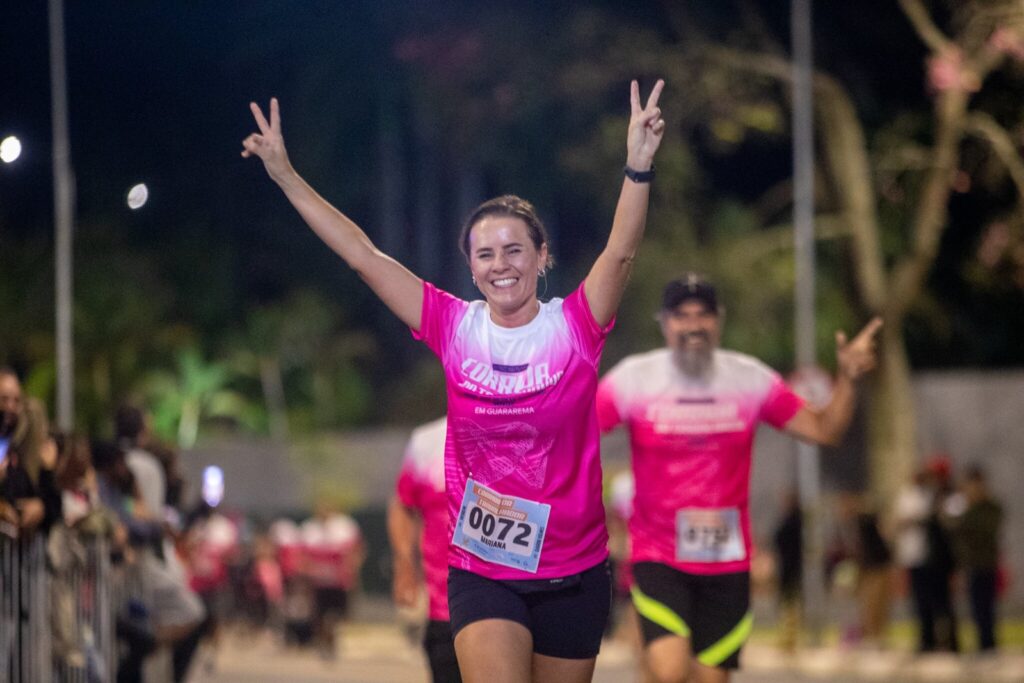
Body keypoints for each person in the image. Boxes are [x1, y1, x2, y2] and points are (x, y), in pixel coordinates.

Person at [243, 77, 665, 683]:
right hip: (483, 567)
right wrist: (285, 175)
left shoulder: (575, 326)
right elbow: (363, 255)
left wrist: (637, 166)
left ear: (541, 257)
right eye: (486, 254)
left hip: (573, 569)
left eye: (515, 250)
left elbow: (620, 254)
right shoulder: (452, 325)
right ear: (470, 267)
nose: (502, 266)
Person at [596, 275, 881, 683]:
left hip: (726, 561)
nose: (693, 325)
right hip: (658, 556)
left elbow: (824, 430)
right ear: (664, 323)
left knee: (710, 679)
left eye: (703, 315)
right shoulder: (633, 380)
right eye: (682, 316)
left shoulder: (748, 379)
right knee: (669, 670)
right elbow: (577, 434)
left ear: (719, 321)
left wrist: (849, 379)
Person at [388, 416, 462, 683]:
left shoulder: (529, 427)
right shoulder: (427, 441)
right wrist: (404, 564)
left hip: (518, 605)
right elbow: (401, 505)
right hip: (446, 608)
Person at [950, 464, 1003, 653]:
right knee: (975, 607)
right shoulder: (963, 505)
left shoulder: (990, 506)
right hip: (970, 563)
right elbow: (952, 527)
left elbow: (982, 529)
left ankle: (989, 645)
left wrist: (970, 507)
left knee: (986, 606)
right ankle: (983, 645)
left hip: (986, 562)